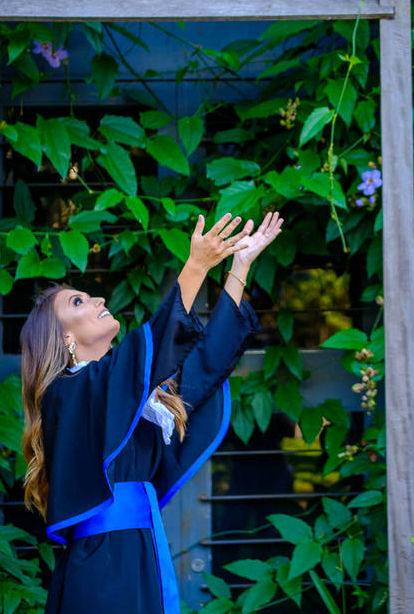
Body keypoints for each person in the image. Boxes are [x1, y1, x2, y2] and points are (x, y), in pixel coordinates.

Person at [19, 209, 284, 614]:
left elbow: (206, 363)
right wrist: (196, 266)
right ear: (65, 337)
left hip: (142, 551)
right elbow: (151, 348)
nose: (99, 299)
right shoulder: (66, 395)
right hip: (104, 566)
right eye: (79, 301)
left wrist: (239, 267)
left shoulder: (138, 397)